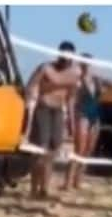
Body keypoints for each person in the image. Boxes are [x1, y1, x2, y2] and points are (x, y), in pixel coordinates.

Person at [25, 41, 81, 199]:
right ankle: (34, 187)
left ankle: (45, 188)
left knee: (53, 150)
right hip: (43, 108)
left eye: (69, 56)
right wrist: (31, 102)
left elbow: (71, 97)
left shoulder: (75, 73)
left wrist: (70, 120)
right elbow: (30, 86)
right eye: (63, 55)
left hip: (58, 111)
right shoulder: (46, 68)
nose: (66, 59)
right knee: (40, 150)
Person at [62, 53, 112, 191]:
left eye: (89, 63)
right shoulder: (78, 81)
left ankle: (78, 181)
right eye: (84, 63)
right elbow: (70, 101)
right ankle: (68, 182)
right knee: (79, 150)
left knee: (88, 151)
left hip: (95, 115)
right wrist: (70, 120)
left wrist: (104, 79)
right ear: (81, 64)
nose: (87, 65)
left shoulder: (96, 80)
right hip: (82, 114)